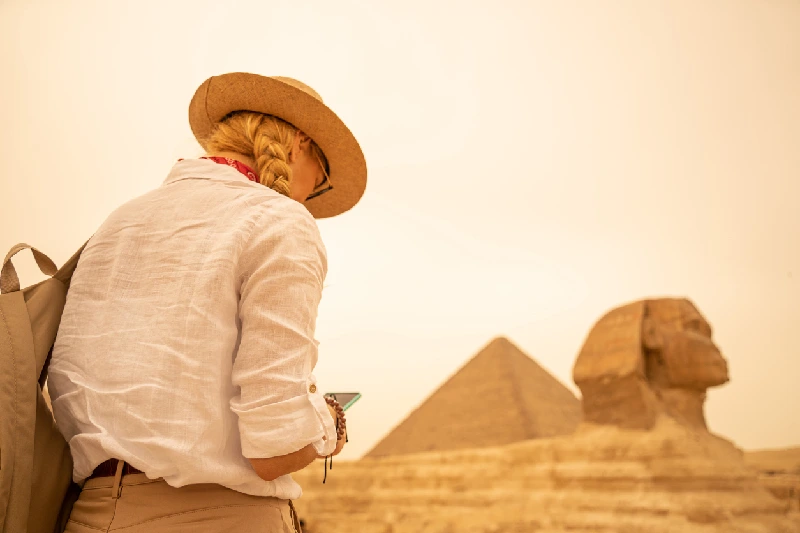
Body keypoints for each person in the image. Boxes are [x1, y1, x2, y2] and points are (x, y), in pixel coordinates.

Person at [47, 73, 367, 533]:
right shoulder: (281, 221)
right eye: (319, 182)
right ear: (299, 144)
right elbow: (273, 446)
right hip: (218, 518)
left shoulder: (117, 223)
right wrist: (330, 421)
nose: (310, 198)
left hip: (89, 515)